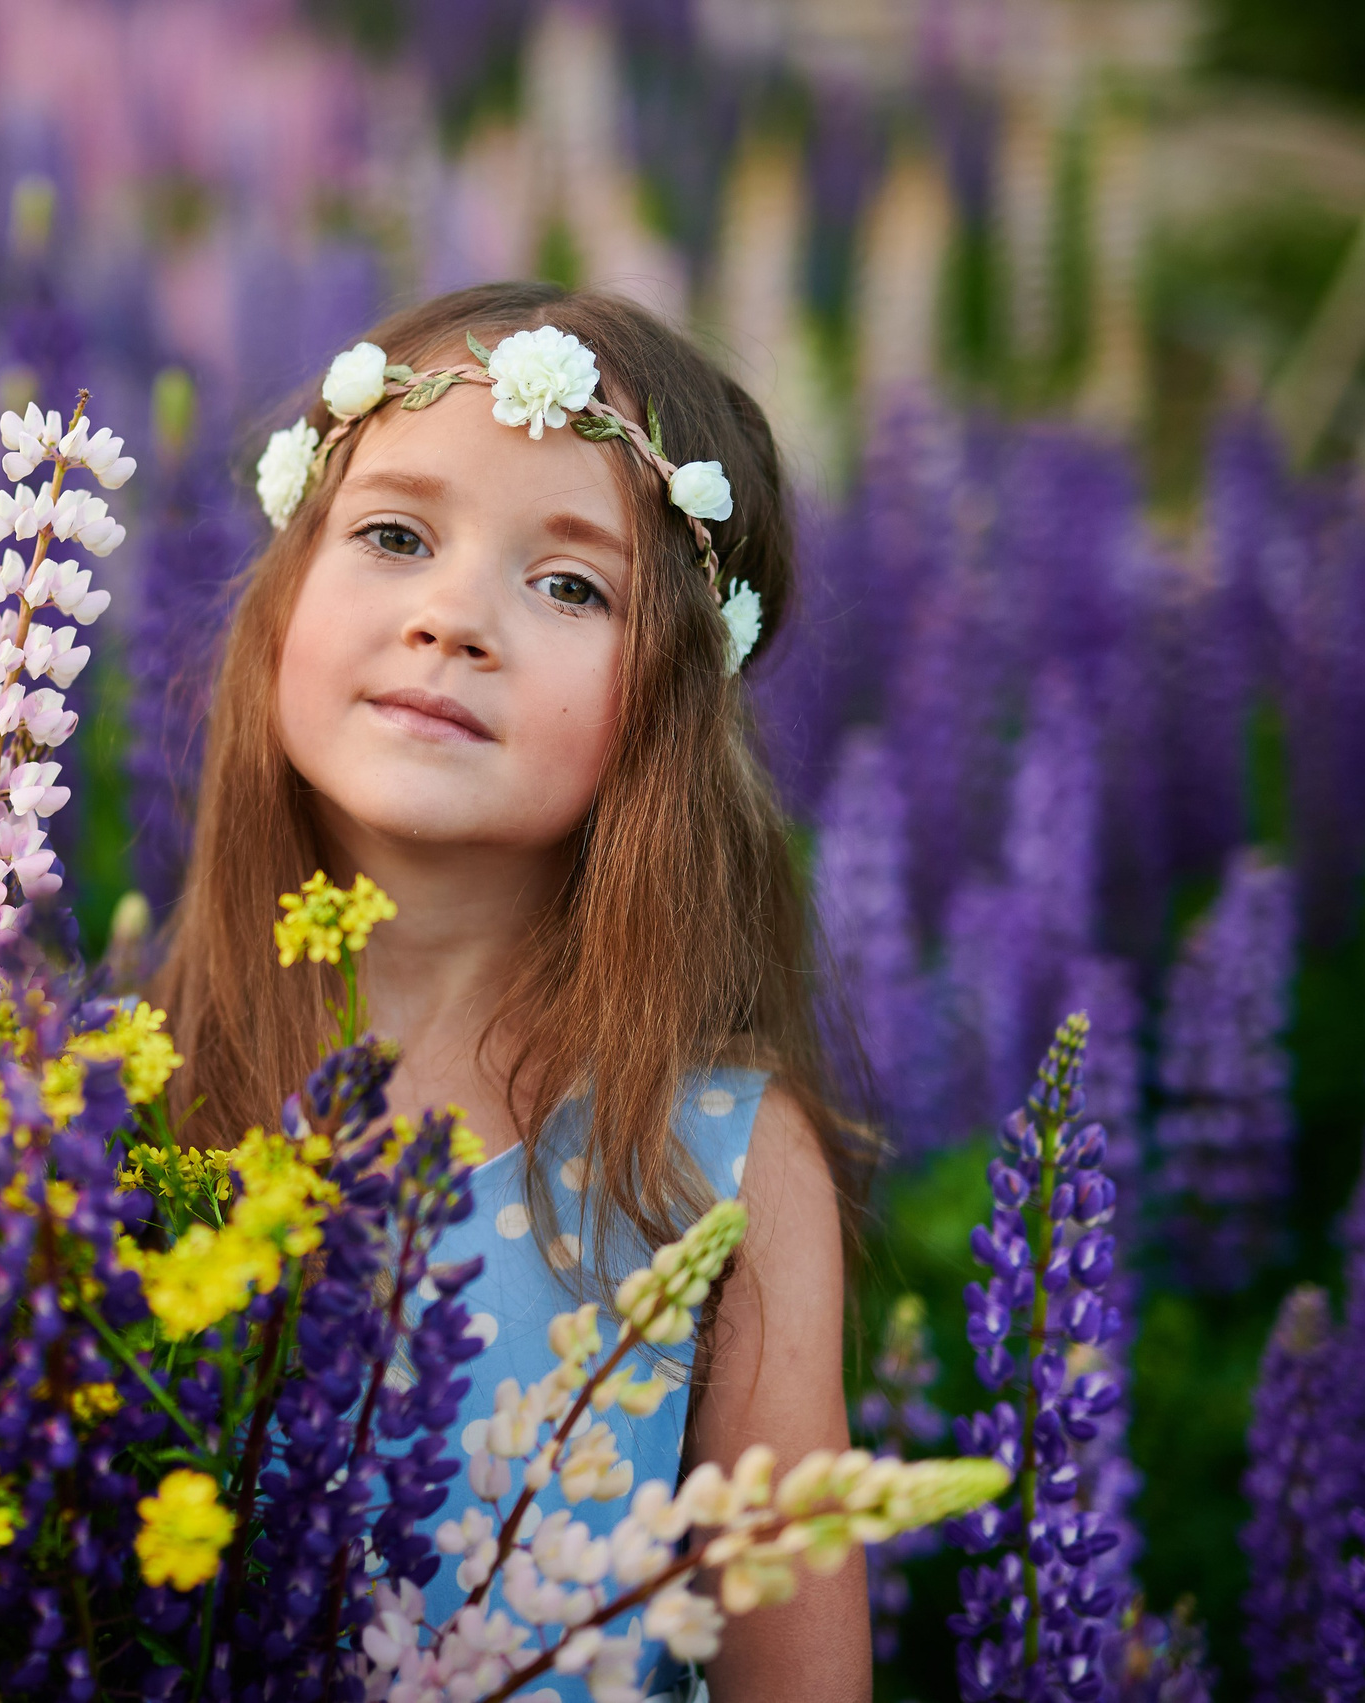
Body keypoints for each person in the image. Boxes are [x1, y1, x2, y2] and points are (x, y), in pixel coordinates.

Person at [150, 281, 874, 1701]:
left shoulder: (711, 1161)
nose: (452, 618)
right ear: (287, 590)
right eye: (396, 535)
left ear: (669, 705)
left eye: (569, 585)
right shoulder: (116, 1083)